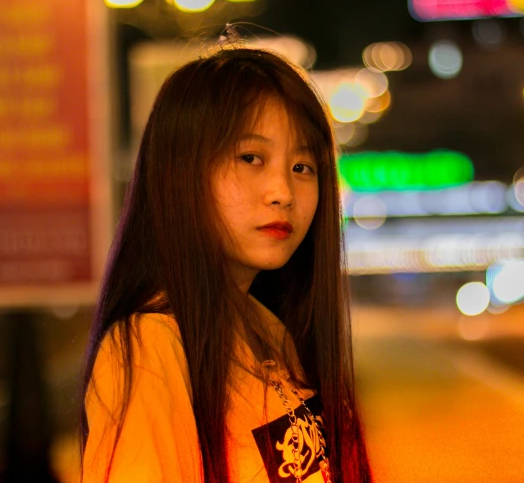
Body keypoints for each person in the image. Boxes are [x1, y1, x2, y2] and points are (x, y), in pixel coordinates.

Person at [78, 43, 374, 483]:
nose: (283, 192)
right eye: (251, 158)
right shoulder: (150, 348)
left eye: (303, 166)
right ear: (181, 172)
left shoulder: (267, 327)